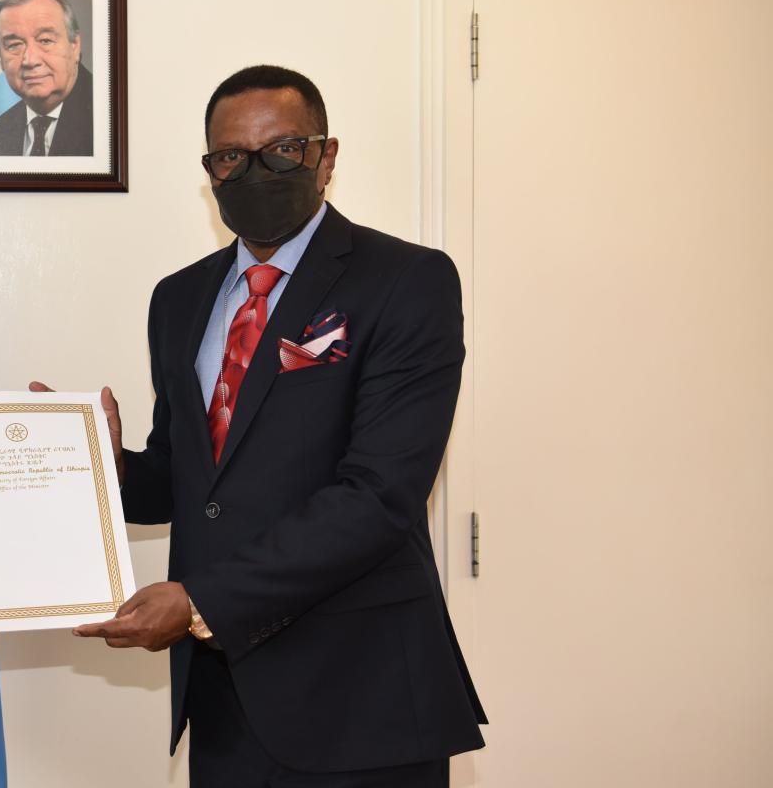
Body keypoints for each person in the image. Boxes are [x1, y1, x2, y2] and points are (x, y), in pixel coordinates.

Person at [58, 66, 487, 786]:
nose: (256, 171)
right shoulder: (179, 298)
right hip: (224, 696)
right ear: (210, 171)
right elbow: (188, 477)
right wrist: (104, 465)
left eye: (283, 149)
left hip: (362, 694)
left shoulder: (406, 280)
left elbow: (381, 494)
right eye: (232, 156)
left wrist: (201, 601)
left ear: (326, 156)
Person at [0, 0, 93, 156]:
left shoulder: (109, 117)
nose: (30, 60)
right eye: (14, 45)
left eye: (45, 41)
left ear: (74, 46)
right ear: (1, 59)